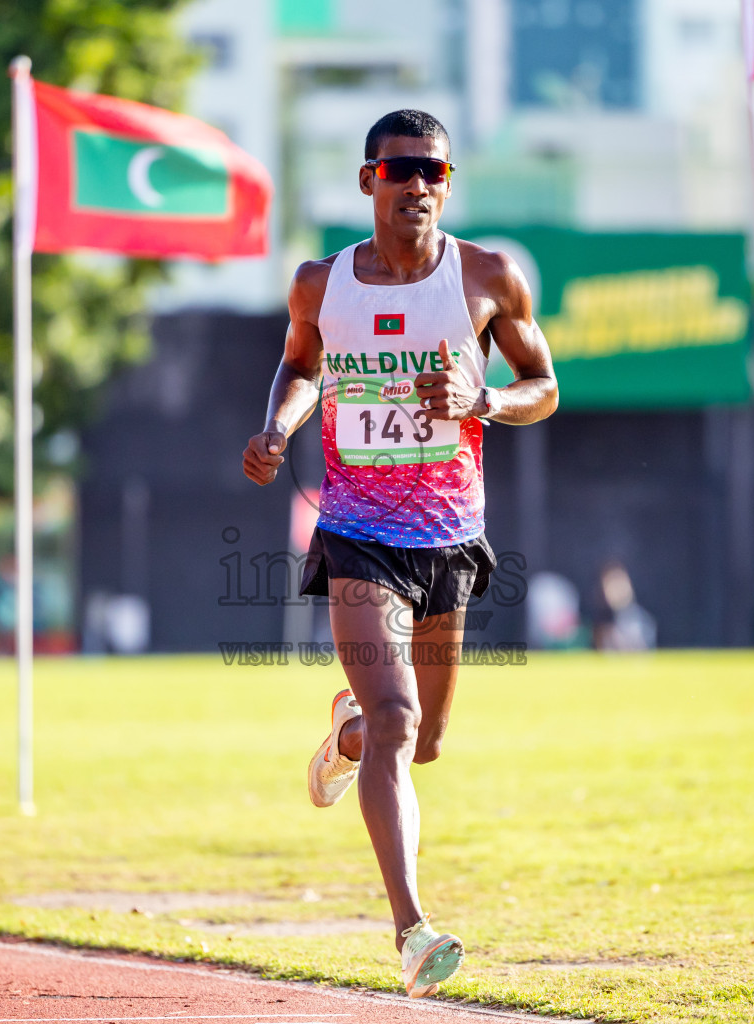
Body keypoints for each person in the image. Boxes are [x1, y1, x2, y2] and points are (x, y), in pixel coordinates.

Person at [241, 109, 557, 999]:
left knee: (423, 743)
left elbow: (546, 386)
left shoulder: (488, 276)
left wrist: (484, 399)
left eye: (436, 172)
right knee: (400, 722)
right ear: (368, 180)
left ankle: (343, 737)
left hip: (450, 538)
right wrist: (277, 426)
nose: (419, 185)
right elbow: (301, 366)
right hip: (359, 534)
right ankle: (413, 931)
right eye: (401, 169)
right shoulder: (321, 284)